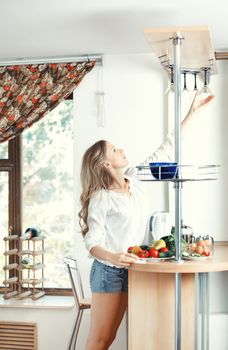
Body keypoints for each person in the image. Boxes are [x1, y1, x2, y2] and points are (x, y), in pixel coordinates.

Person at [78, 92, 214, 350]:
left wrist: (192, 113)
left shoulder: (135, 180)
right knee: (100, 340)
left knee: (113, 338)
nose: (122, 149)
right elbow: (91, 242)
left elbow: (168, 146)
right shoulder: (102, 198)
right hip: (108, 272)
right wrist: (113, 256)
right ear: (106, 163)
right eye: (115, 149)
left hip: (132, 268)